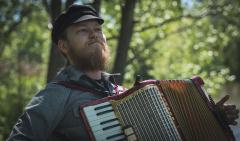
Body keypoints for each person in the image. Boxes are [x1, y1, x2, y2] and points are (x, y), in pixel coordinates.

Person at [7, 4, 239, 141]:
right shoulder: (55, 95)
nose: (94, 34)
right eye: (82, 30)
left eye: (98, 29)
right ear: (64, 46)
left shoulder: (123, 93)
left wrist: (209, 118)